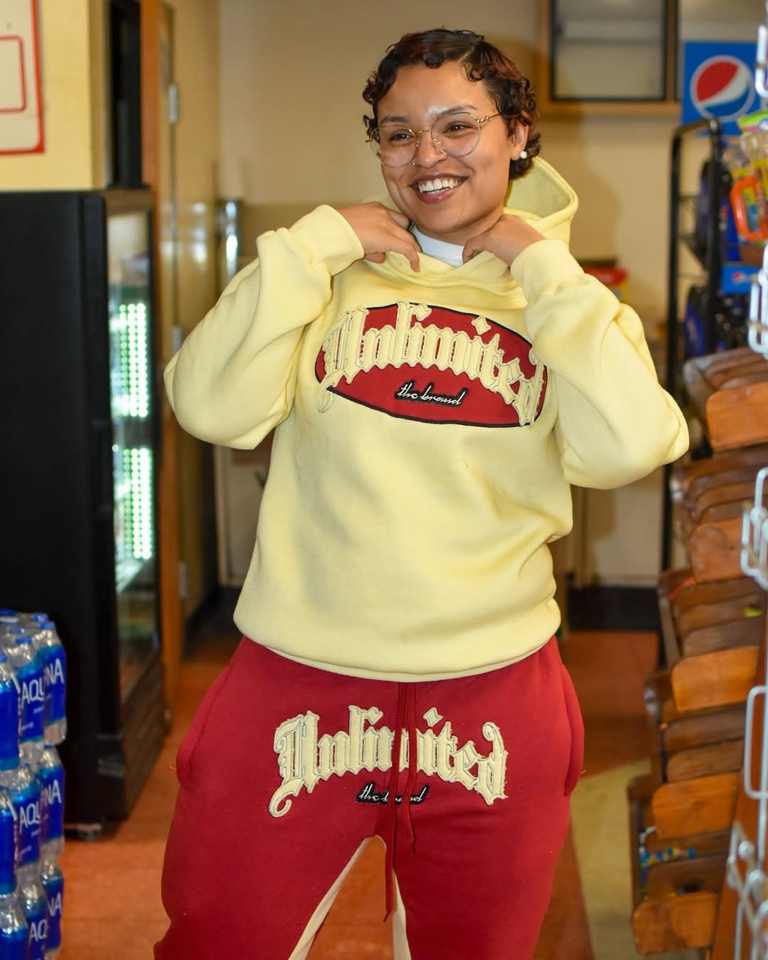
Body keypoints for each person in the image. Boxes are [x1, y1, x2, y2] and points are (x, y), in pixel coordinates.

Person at [154, 28, 689, 960]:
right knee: (219, 936)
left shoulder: (564, 297)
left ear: (517, 132)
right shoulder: (327, 275)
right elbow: (208, 405)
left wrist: (541, 266)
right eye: (398, 133)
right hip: (297, 676)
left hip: (492, 690)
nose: (427, 155)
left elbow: (634, 446)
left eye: (457, 126)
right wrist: (314, 243)